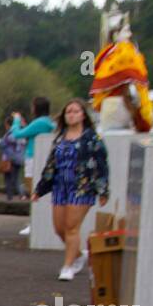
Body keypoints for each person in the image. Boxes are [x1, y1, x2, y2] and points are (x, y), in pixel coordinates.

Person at [32, 99, 109, 282]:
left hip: (82, 187)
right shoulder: (60, 138)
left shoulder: (91, 138)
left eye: (75, 111)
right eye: (68, 112)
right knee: (59, 228)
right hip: (60, 186)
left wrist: (103, 190)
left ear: (83, 115)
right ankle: (79, 254)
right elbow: (51, 165)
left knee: (71, 227)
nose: (71, 115)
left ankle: (67, 267)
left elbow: (101, 165)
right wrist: (40, 189)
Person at [10, 97, 56, 235]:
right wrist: (25, 126)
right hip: (39, 158)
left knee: (33, 191)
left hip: (33, 158)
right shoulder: (47, 122)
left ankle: (34, 224)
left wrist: (16, 120)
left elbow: (17, 134)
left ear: (36, 108)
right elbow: (30, 132)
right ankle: (37, 222)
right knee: (37, 191)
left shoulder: (40, 122)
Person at [0, 119, 25, 201]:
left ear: (8, 125)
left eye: (6, 125)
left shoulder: (9, 134)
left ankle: (10, 197)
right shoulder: (21, 134)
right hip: (20, 159)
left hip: (10, 160)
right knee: (16, 179)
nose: (5, 127)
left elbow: (1, 144)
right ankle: (22, 195)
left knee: (8, 179)